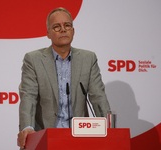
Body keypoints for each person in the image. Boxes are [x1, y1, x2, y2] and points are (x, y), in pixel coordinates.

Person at [17, 7, 110, 149]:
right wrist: (27, 127)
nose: (63, 29)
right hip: (45, 136)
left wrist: (109, 128)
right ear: (48, 33)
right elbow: (28, 96)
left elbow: (98, 96)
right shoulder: (33, 60)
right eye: (56, 27)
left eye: (67, 25)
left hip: (80, 137)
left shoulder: (88, 58)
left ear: (73, 31)